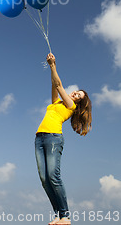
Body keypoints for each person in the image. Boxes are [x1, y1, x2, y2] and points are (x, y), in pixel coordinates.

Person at [35, 53, 92, 225]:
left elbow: (59, 85)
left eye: (79, 96)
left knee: (53, 176)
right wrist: (51, 68)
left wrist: (53, 64)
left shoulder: (70, 106)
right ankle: (58, 215)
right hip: (39, 138)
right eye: (77, 92)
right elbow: (55, 84)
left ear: (78, 102)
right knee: (45, 180)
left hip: (53, 139)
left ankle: (65, 216)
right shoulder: (56, 103)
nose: (75, 94)